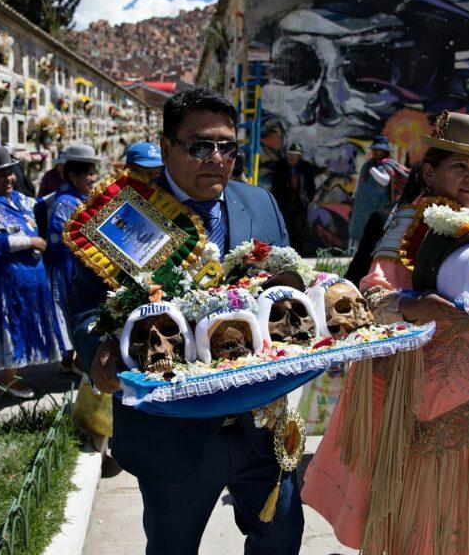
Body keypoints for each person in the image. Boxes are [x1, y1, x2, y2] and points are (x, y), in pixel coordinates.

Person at [303, 112, 469, 554]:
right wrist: (415, 306)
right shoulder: (409, 221)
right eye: (459, 167)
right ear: (430, 171)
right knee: (439, 513)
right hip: (439, 396)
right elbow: (372, 298)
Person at [68, 86, 301, 555]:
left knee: (280, 539)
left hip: (263, 426)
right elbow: (85, 308)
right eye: (200, 146)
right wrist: (100, 352)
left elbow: (288, 292)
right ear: (167, 146)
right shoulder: (123, 218)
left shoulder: (259, 204)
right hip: (175, 434)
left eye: (227, 146)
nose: (216, 158)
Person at [0, 146, 66, 399]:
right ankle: (8, 378)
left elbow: (39, 204)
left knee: (6, 326)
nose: (9, 178)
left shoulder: (17, 200)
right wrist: (30, 242)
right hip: (0, 280)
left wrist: (66, 191)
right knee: (6, 326)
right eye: (1, 175)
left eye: (10, 172)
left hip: (22, 277)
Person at [39, 144, 100, 372]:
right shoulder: (66, 203)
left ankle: (73, 359)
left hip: (74, 264)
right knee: (69, 309)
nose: (93, 179)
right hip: (67, 267)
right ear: (73, 176)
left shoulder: (76, 198)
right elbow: (61, 239)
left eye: (94, 173)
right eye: (88, 174)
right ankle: (74, 359)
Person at [348, 136, 407, 250]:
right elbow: (361, 182)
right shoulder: (369, 164)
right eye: (374, 149)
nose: (374, 151)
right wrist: (355, 194)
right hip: (363, 207)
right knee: (359, 231)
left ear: (385, 151)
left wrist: (372, 169)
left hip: (378, 206)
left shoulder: (386, 165)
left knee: (374, 232)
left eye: (378, 149)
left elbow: (385, 181)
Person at [270, 142, 315, 254]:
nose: (291, 157)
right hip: (284, 203)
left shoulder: (306, 167)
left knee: (299, 229)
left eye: (294, 155)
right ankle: (286, 252)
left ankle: (297, 253)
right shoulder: (280, 165)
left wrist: (309, 198)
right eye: (290, 154)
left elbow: (310, 185)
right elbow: (275, 185)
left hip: (300, 203)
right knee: (286, 227)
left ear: (299, 157)